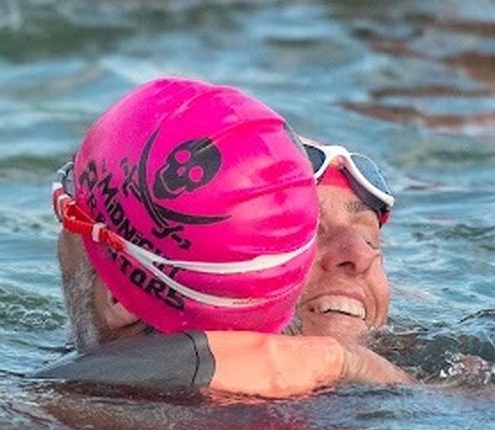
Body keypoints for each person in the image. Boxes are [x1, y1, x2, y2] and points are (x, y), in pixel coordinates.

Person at [39, 76, 409, 395]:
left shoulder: (61, 420)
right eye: (307, 235)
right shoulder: (383, 401)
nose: (361, 253)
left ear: (120, 299)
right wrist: (344, 364)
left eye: (370, 237)